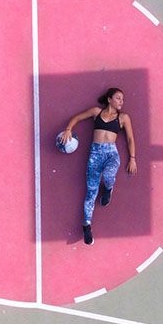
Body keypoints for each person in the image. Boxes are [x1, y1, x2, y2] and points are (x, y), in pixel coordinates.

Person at [60, 88, 137, 245]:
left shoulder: (123, 118)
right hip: (95, 154)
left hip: (111, 154)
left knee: (109, 176)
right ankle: (87, 225)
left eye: (123, 99)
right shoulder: (96, 112)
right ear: (109, 99)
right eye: (118, 98)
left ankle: (108, 188)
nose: (122, 101)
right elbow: (77, 117)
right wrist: (69, 129)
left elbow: (130, 138)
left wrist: (132, 158)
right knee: (91, 191)